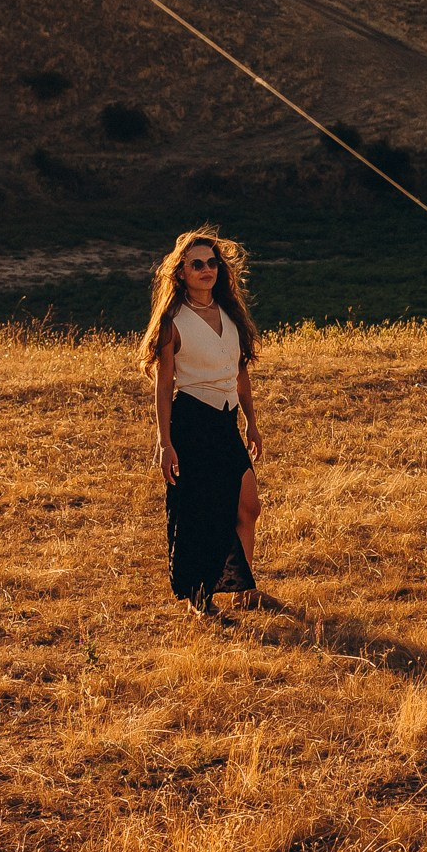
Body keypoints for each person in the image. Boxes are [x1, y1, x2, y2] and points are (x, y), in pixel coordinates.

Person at [142, 227, 270, 622]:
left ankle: (244, 591)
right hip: (192, 420)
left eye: (212, 263)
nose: (206, 270)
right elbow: (164, 387)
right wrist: (165, 442)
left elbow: (240, 372)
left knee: (249, 505)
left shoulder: (230, 313)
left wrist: (251, 421)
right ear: (180, 272)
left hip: (226, 420)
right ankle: (201, 599)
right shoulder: (173, 320)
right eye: (196, 264)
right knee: (202, 512)